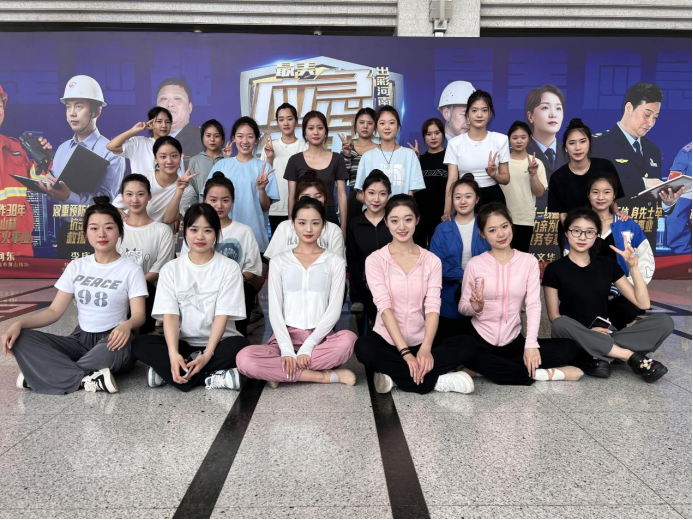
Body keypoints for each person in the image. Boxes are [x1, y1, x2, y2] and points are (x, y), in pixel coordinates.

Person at [1, 197, 147, 395]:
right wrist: (19, 324)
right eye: (94, 228)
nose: (102, 234)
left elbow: (139, 315)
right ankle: (87, 378)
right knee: (21, 338)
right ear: (86, 233)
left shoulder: (131, 269)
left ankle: (44, 375)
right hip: (79, 340)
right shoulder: (76, 266)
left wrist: (127, 325)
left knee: (121, 346)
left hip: (113, 338)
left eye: (109, 227)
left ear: (120, 231)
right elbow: (54, 311)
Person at [354, 194, 479, 395]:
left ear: (417, 220)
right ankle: (437, 381)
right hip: (388, 341)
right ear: (386, 221)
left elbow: (432, 307)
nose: (402, 226)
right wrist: (405, 353)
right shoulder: (375, 260)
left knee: (468, 345)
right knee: (363, 347)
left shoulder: (431, 261)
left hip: (421, 341)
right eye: (395, 220)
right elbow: (384, 308)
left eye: (408, 219)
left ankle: (396, 376)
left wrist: (426, 349)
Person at [236, 197, 357, 388]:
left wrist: (309, 346)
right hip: (284, 337)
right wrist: (286, 350)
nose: (308, 229)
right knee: (244, 359)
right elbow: (275, 310)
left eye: (315, 223)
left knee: (348, 340)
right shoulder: (279, 261)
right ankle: (323, 376)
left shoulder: (335, 262)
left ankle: (280, 372)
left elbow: (334, 309)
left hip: (320, 340)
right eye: (302, 223)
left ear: (323, 225)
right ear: (293, 224)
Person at [543, 208, 674, 382]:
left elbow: (643, 304)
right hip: (574, 335)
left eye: (589, 232)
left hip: (606, 332)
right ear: (566, 233)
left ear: (597, 235)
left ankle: (597, 354)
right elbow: (553, 316)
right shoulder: (554, 269)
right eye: (576, 231)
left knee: (664, 322)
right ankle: (627, 355)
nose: (582, 237)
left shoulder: (607, 264)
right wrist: (589, 332)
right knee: (560, 323)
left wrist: (633, 267)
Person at [458, 203, 583, 385]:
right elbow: (463, 307)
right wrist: (475, 308)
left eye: (504, 226)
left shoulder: (528, 261)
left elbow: (533, 305)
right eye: (492, 230)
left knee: (568, 348)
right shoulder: (475, 264)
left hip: (514, 341)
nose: (501, 234)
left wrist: (530, 345)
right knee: (464, 352)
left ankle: (484, 370)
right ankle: (543, 374)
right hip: (480, 340)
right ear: (482, 233)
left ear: (511, 225)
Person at [133, 204, 250, 392]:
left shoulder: (229, 268)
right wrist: (173, 355)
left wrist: (208, 353)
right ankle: (210, 376)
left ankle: (170, 374)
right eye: (194, 230)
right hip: (183, 344)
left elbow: (222, 316)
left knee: (241, 346)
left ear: (216, 232)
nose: (200, 236)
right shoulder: (171, 269)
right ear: (185, 231)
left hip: (219, 343)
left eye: (208, 230)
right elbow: (170, 316)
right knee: (140, 344)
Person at [179, 173, 264, 337]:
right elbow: (185, 263)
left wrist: (232, 279)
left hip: (233, 288)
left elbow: (253, 269)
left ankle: (237, 334)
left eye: (225, 200)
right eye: (213, 200)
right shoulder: (195, 232)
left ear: (233, 201)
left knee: (245, 290)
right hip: (199, 286)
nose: (219, 205)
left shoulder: (244, 231)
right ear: (204, 200)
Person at [584, 173, 655, 330]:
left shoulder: (627, 225)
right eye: (595, 192)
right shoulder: (580, 224)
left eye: (606, 192)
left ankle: (616, 335)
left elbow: (646, 258)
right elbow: (569, 257)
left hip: (622, 290)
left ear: (614, 195)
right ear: (588, 195)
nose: (600, 197)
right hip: (588, 289)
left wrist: (630, 284)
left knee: (627, 309)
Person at [548, 118, 626, 252]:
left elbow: (612, 202)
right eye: (572, 143)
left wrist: (619, 215)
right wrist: (577, 235)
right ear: (565, 146)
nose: (578, 148)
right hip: (574, 236)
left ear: (589, 143)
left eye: (582, 141)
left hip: (605, 231)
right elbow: (563, 216)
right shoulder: (558, 177)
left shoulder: (605, 166)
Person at [205, 117, 279, 253]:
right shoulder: (221, 165)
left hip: (255, 235)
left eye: (250, 136)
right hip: (223, 237)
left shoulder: (264, 167)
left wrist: (261, 189)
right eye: (240, 136)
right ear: (234, 138)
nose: (245, 141)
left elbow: (266, 206)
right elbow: (208, 202)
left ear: (256, 139)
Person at [430, 174, 490, 339]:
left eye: (468, 196)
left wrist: (473, 279)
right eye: (457, 197)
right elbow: (436, 264)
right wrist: (464, 276)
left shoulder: (487, 226)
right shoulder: (442, 229)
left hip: (484, 295)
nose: (462, 201)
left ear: (477, 199)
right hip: (449, 297)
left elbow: (495, 258)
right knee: (451, 342)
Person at [116, 174, 175, 334]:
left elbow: (160, 269)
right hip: (116, 293)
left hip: (148, 295)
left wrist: (131, 286)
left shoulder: (162, 231)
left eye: (140, 194)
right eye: (129, 194)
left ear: (149, 196)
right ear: (122, 197)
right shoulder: (115, 229)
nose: (135, 200)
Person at [443, 90, 510, 216]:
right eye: (474, 110)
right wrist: (448, 208)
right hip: (465, 199)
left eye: (484, 110)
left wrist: (494, 175)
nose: (479, 115)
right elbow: (452, 180)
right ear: (467, 114)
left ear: (490, 113)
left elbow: (506, 179)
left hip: (493, 199)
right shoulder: (455, 143)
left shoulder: (501, 140)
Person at [592, 82, 663, 199]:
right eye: (647, 115)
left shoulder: (653, 150)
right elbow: (594, 186)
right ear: (629, 108)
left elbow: (655, 197)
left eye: (655, 117)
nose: (651, 123)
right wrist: (643, 183)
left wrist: (667, 203)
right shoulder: (597, 144)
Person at [285, 110, 348, 233]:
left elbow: (341, 194)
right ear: (305, 132)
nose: (315, 132)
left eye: (320, 128)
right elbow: (292, 196)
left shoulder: (337, 159)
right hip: (303, 219)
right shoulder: (295, 160)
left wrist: (344, 227)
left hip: (329, 217)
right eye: (311, 128)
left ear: (326, 132)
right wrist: (291, 224)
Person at [346, 170, 393, 321]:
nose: (376, 199)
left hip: (395, 289)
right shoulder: (354, 224)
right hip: (365, 291)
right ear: (362, 194)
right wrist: (363, 285)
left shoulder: (395, 222)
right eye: (371, 193)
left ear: (389, 195)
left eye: (382, 194)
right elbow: (352, 260)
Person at [265, 173, 344, 260]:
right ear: (297, 198)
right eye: (306, 197)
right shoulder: (284, 227)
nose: (312, 200)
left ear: (325, 198)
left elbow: (338, 264)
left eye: (318, 196)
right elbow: (274, 261)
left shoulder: (334, 230)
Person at [353, 105, 425, 200]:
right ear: (376, 127)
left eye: (391, 123)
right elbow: (359, 194)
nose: (387, 127)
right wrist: (376, 205)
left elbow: (410, 194)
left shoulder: (409, 155)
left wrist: (399, 208)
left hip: (400, 209)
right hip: (373, 210)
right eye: (382, 123)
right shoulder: (367, 157)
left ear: (398, 126)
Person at [114, 136, 189, 224]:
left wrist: (179, 190)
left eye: (174, 156)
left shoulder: (187, 189)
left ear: (181, 156)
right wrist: (126, 218)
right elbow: (115, 206)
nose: (169, 161)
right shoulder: (142, 181)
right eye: (163, 157)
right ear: (156, 158)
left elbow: (169, 220)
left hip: (164, 232)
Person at [261, 103, 308, 235]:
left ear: (296, 121)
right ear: (277, 123)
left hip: (300, 205)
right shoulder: (270, 146)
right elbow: (263, 176)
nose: (286, 123)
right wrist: (269, 157)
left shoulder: (304, 146)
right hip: (275, 207)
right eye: (281, 119)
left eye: (290, 119)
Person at [0, 83, 35, 257]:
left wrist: (43, 162)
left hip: (20, 245)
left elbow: (36, 183)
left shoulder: (15, 146)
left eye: (0, 105)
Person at [503, 121, 548, 253]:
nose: (519, 141)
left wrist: (533, 174)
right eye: (515, 137)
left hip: (524, 218)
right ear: (509, 139)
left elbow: (539, 193)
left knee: (520, 258)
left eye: (523, 137)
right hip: (501, 218)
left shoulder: (536, 163)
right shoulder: (502, 162)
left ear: (529, 139)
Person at [107, 107, 179, 175]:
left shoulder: (174, 147)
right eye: (159, 121)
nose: (164, 125)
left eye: (168, 122)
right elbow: (111, 146)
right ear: (151, 124)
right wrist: (133, 130)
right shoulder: (139, 143)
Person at [176, 119, 227, 216]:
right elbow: (193, 191)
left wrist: (227, 158)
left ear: (222, 138)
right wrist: (195, 213)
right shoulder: (195, 160)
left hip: (226, 211)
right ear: (202, 137)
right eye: (208, 135)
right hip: (204, 213)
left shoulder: (228, 160)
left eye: (216, 136)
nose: (212, 139)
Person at [412, 118, 448, 248]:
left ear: (443, 134)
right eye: (429, 134)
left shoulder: (450, 158)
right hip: (421, 215)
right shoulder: (420, 159)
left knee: (439, 251)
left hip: (442, 215)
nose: (433, 137)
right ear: (424, 137)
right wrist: (414, 160)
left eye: (437, 133)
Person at [339, 107, 377, 224]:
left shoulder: (380, 150)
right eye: (361, 122)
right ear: (355, 125)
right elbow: (343, 177)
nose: (365, 126)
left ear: (375, 126)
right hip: (354, 197)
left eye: (370, 123)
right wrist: (347, 155)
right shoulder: (348, 149)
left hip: (376, 198)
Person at [524, 85, 567, 183]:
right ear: (530, 116)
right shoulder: (519, 151)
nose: (553, 114)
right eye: (545, 108)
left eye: (558, 108)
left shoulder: (570, 152)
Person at [156, 77, 204, 161]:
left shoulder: (204, 140)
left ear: (190, 107)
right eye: (163, 99)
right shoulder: (147, 143)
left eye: (177, 98)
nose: (170, 104)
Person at [663, 142, 692, 254]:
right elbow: (677, 214)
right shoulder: (688, 153)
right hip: (686, 253)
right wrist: (683, 251)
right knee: (676, 215)